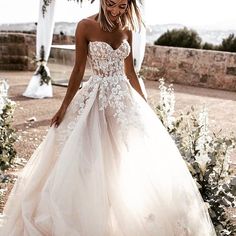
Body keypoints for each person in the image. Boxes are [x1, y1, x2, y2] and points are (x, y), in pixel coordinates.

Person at [0, 0, 216, 235]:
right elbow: (78, 70)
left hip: (123, 102)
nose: (116, 11)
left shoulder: (127, 29)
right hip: (95, 100)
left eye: (122, 6)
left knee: (123, 160)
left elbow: (130, 72)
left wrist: (147, 107)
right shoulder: (85, 26)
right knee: (90, 158)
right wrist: (64, 107)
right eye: (111, 4)